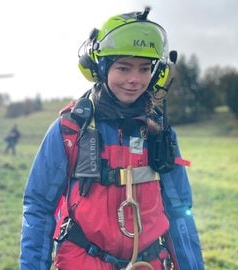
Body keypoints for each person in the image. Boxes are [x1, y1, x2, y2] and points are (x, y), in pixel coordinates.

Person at [20, 7, 204, 270]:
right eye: (123, 67)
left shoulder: (159, 134)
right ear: (102, 67)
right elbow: (38, 207)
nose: (134, 80)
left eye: (144, 69)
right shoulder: (70, 130)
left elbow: (180, 211)